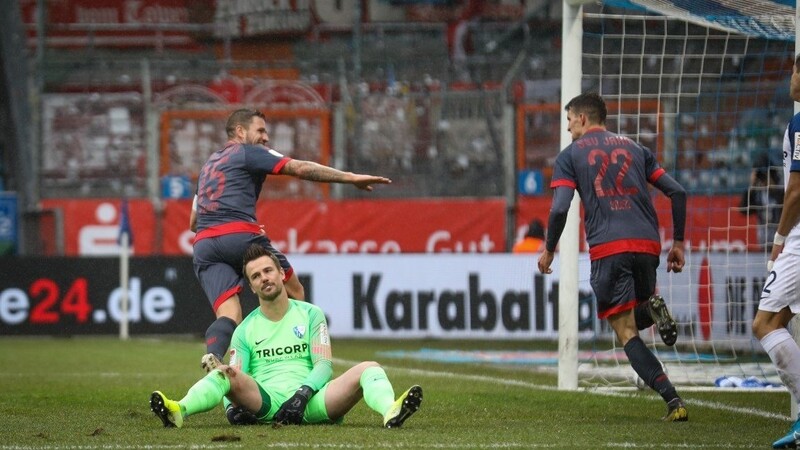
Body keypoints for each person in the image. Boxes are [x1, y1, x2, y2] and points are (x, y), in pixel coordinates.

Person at [190, 108, 391, 371]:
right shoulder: (248, 152)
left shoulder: (208, 166)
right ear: (240, 131)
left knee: (229, 315)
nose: (265, 137)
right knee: (295, 291)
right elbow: (299, 168)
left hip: (204, 244)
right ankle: (303, 358)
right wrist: (351, 178)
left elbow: (192, 222)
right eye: (260, 130)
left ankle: (215, 355)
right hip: (239, 235)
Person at [151, 244, 423, 429]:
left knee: (369, 368)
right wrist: (233, 411)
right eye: (256, 276)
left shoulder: (311, 314)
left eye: (268, 271)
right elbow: (231, 379)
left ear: (281, 273)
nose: (264, 278)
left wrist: (302, 395)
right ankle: (178, 410)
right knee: (223, 372)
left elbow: (323, 365)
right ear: (252, 286)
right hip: (266, 403)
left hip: (313, 401)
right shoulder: (244, 329)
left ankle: (390, 410)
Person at [537, 92, 688, 422]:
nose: (567, 129)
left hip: (609, 246)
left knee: (626, 332)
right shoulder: (637, 149)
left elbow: (560, 207)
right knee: (637, 314)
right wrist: (678, 242)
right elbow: (677, 191)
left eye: (569, 121)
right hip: (648, 243)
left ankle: (673, 400)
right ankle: (653, 308)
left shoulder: (570, 155)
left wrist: (549, 249)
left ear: (582, 119)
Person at [752, 54, 800, 450]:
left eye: (796, 70)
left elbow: (797, 190)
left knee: (765, 323)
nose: (791, 78)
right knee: (783, 320)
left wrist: (779, 239)